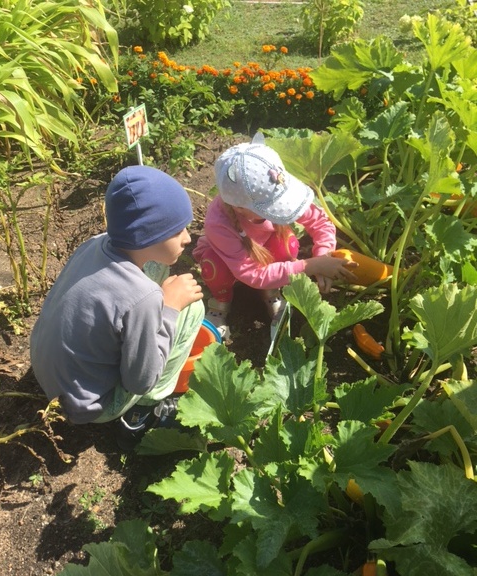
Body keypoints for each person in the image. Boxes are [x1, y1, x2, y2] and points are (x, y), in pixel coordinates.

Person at [30, 165, 205, 450]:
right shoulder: (143, 296)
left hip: (50, 377)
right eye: (177, 231)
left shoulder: (95, 243)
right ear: (147, 236)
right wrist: (170, 307)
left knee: (155, 272)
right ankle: (141, 415)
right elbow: (140, 381)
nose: (187, 237)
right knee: (192, 310)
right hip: (91, 405)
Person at [192, 139, 357, 339]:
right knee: (213, 266)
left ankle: (271, 291)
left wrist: (324, 254)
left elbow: (320, 222)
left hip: (263, 253)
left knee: (288, 243)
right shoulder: (218, 224)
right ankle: (220, 306)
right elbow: (253, 274)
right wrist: (311, 266)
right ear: (239, 208)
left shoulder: (271, 189)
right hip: (231, 264)